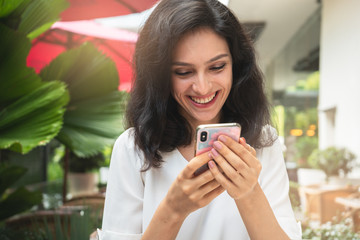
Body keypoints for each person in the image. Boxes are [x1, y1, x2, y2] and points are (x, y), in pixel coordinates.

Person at [99, 0, 302, 239]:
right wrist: (173, 209)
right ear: (160, 75)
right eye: (184, 72)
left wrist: (249, 193)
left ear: (236, 66)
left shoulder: (263, 141)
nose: (203, 87)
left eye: (217, 67)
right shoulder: (134, 148)